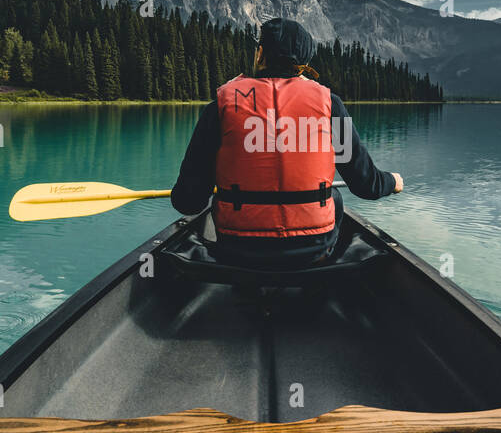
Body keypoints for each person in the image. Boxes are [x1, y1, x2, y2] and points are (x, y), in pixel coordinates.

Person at [171, 18, 403, 268]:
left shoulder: (222, 105)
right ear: (304, 66)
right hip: (314, 250)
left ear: (260, 54)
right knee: (333, 197)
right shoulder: (330, 105)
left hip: (238, 249)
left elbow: (187, 202)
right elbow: (366, 185)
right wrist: (393, 181)